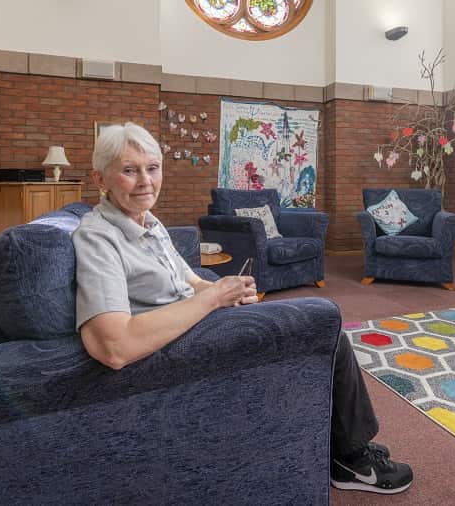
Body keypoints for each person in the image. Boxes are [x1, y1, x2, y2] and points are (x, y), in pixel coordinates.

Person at [72, 122, 414, 495]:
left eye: (152, 168)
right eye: (129, 170)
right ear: (100, 178)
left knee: (316, 329)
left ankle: (338, 444)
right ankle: (352, 459)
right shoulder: (98, 236)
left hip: (195, 322)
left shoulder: (149, 223)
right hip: (175, 349)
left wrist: (225, 291)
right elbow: (113, 346)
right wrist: (212, 299)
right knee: (325, 324)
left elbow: (191, 281)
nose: (145, 181)